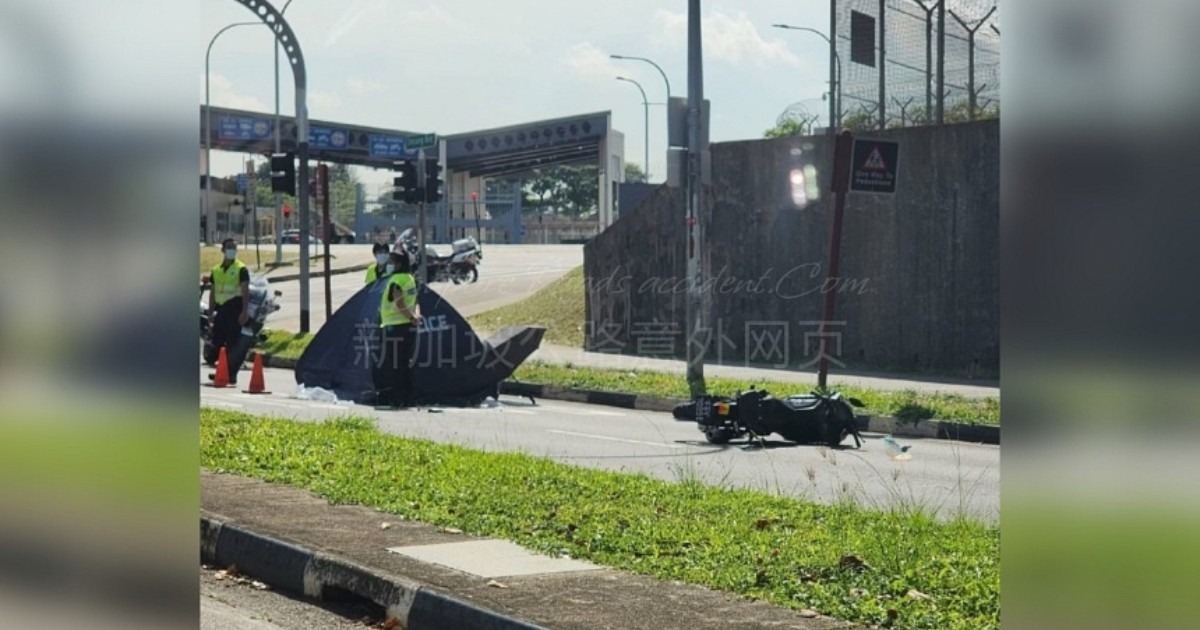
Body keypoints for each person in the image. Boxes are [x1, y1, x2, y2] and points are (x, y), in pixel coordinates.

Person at [373, 249, 422, 409]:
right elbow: (414, 301)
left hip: (395, 327)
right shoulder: (409, 278)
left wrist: (410, 317)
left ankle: (396, 398)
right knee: (404, 363)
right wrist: (414, 316)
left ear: (399, 264)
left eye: (391, 262)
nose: (389, 265)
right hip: (407, 327)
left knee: (393, 365)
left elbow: (399, 303)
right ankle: (407, 397)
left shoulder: (396, 280)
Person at [207, 238, 250, 384]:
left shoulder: (241, 269)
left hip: (235, 309)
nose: (232, 250)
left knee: (233, 343)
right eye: (229, 247)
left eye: (234, 247)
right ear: (223, 250)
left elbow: (245, 292)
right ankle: (222, 370)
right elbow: (213, 292)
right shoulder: (216, 270)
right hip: (221, 309)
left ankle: (231, 374)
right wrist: (210, 312)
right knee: (218, 341)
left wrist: (244, 311)